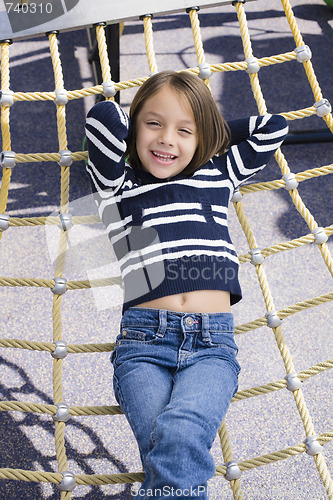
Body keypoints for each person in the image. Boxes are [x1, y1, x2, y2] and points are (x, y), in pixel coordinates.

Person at [85, 70, 288, 499]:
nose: (166, 141)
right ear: (135, 125)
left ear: (204, 139)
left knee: (175, 437)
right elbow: (102, 117)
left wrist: (209, 135)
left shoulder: (218, 174)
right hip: (142, 344)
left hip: (212, 347)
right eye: (153, 124)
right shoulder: (118, 186)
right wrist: (151, 130)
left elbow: (273, 128)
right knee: (171, 448)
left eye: (184, 131)